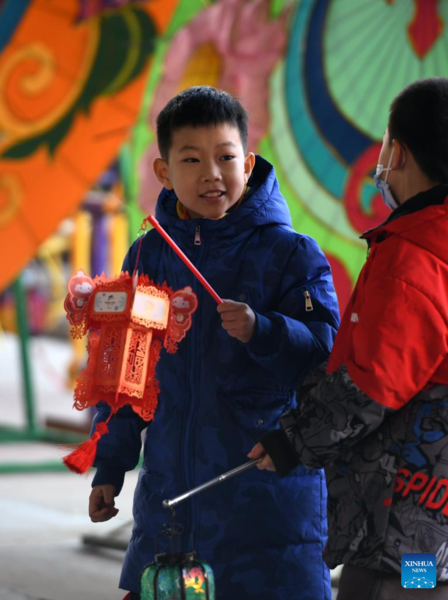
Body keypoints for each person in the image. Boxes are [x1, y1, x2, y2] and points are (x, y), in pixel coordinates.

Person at [88, 86, 340, 600]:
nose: (212, 174)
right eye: (191, 159)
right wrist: (110, 466)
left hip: (269, 504)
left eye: (226, 157)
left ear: (247, 163)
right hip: (169, 506)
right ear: (164, 172)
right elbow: (125, 377)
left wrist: (263, 330)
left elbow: (324, 352)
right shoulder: (147, 258)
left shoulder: (292, 254)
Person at [250, 77, 448, 600]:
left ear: (398, 151)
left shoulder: (414, 257)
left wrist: (292, 439)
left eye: (385, 143)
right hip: (436, 524)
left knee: (394, 590)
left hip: (405, 525)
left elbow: (369, 387)